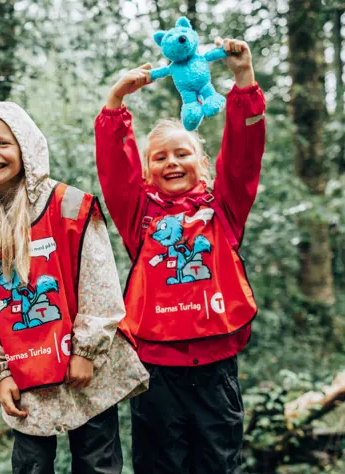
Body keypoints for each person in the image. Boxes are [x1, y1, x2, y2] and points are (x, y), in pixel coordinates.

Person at [94, 38, 265, 473]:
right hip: (157, 372)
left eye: (182, 154)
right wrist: (115, 102)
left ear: (202, 165)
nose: (171, 162)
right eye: (160, 158)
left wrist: (243, 80)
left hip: (215, 370)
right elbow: (116, 173)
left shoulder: (222, 210)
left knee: (216, 465)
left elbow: (244, 160)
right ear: (149, 171)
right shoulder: (140, 216)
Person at [0, 101, 148, 474]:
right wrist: (0, 373)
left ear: (26, 147)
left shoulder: (70, 205)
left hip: (86, 368)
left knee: (98, 462)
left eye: (3, 143)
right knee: (31, 465)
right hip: (25, 371)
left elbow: (100, 284)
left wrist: (86, 351)